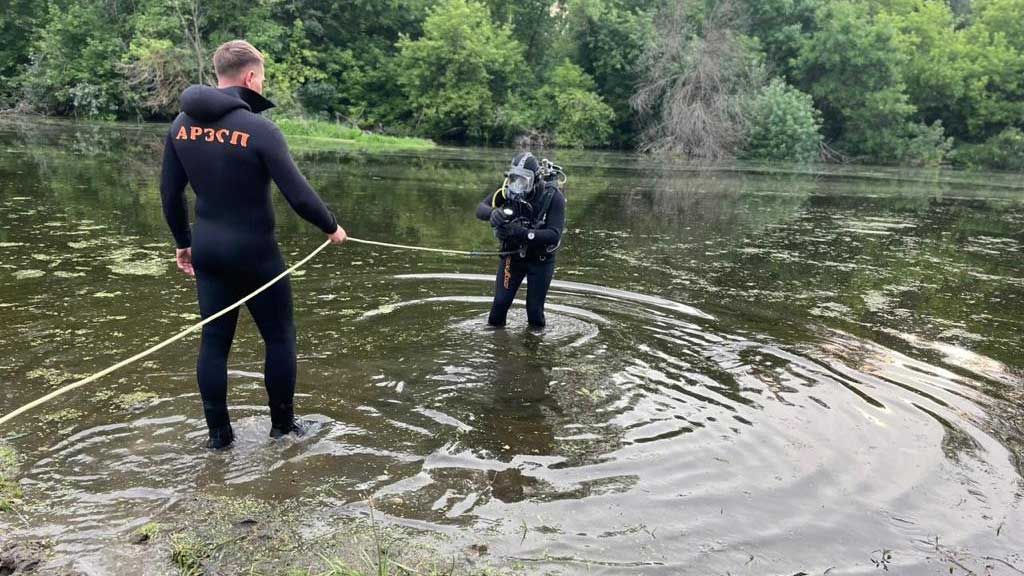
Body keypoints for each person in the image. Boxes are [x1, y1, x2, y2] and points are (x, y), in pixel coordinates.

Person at [160, 40, 347, 449]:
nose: (261, 85)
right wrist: (331, 227)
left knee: (214, 343)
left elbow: (170, 195)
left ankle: (218, 439)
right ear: (250, 77)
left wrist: (182, 242)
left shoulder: (180, 125)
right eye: (261, 78)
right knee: (279, 337)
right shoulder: (260, 129)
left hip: (207, 248)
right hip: (255, 252)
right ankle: (282, 428)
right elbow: (298, 195)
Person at [475, 152, 566, 329]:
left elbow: (554, 234)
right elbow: (480, 209)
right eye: (514, 178)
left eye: (523, 180)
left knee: (534, 312)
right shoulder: (506, 192)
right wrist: (493, 214)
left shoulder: (553, 197)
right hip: (512, 257)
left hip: (540, 261)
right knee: (498, 309)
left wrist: (522, 233)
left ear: (535, 180)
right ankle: (496, 350)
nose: (518, 185)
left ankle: (534, 351)